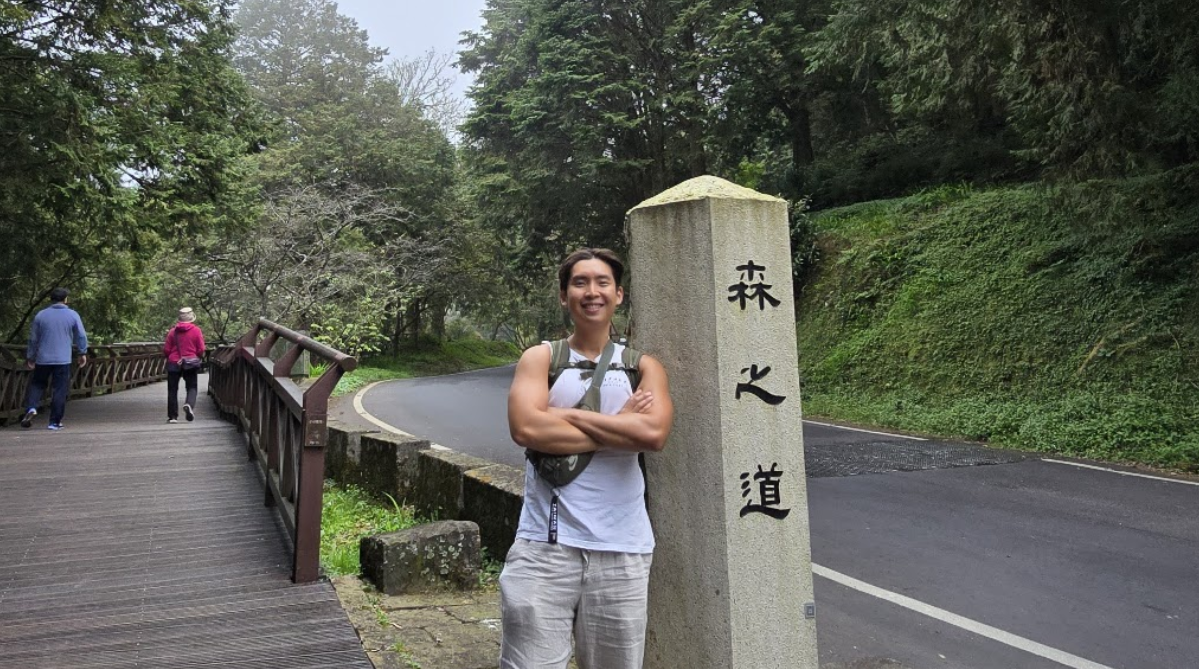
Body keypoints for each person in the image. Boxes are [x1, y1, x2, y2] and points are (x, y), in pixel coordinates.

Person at [502, 248, 673, 669]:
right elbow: (526, 429)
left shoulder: (643, 367)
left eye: (602, 283)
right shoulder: (541, 359)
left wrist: (569, 417)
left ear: (618, 294)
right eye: (579, 283)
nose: (591, 292)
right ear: (564, 296)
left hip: (623, 550)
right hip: (543, 549)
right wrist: (618, 424)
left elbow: (652, 434)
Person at [20, 288, 88, 430]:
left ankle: (31, 408)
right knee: (59, 389)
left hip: (43, 358)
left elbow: (33, 339)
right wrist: (82, 353)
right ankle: (54, 422)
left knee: (37, 385)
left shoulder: (41, 315)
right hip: (63, 359)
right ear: (65, 299)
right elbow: (81, 335)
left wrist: (31, 357)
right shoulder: (72, 315)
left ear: (51, 299)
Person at [163, 306, 206, 423]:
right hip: (190, 362)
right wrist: (196, 356)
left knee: (172, 390)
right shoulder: (196, 330)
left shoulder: (172, 332)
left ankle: (172, 417)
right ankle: (189, 405)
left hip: (174, 362)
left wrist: (172, 358)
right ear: (191, 318)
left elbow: (166, 349)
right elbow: (201, 349)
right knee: (192, 387)